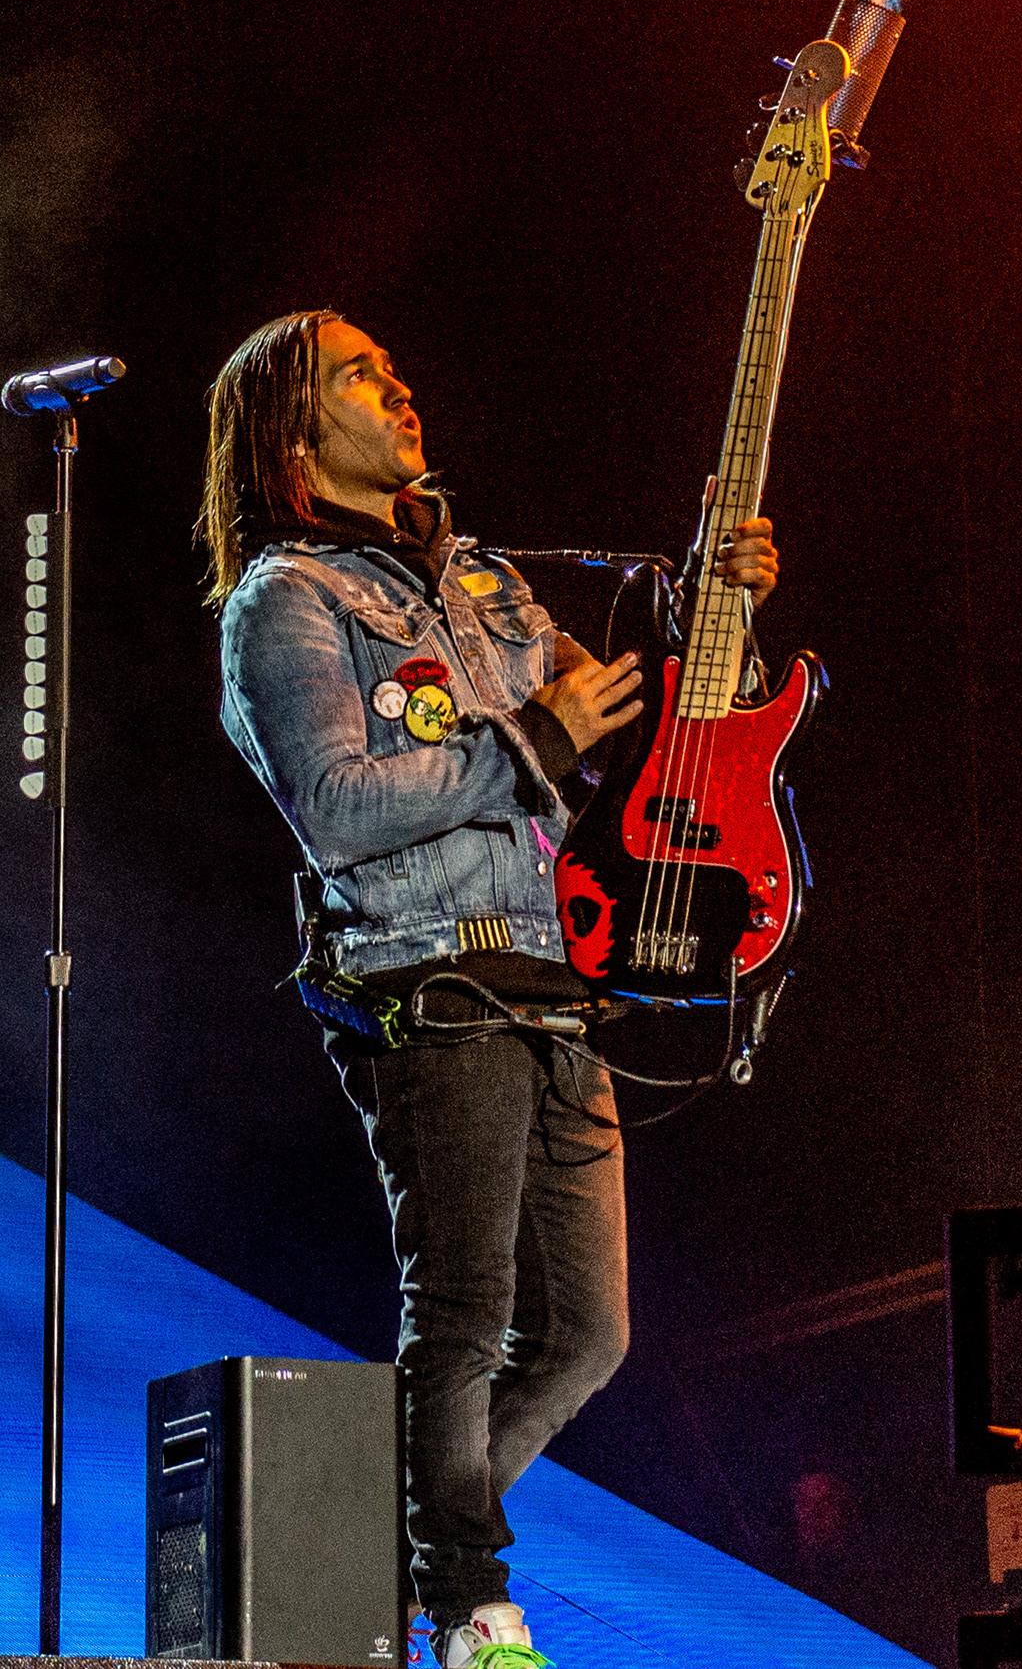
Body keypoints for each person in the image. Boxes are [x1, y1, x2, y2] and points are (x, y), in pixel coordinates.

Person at [201, 310, 777, 1669]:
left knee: (591, 1334)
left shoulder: (489, 585)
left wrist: (719, 617)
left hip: (551, 972)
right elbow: (336, 810)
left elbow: (654, 747)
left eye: (396, 364)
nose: (398, 383)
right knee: (460, 1312)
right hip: (423, 980)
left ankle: (397, 1549)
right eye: (360, 373)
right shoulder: (284, 602)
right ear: (295, 432)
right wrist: (529, 742)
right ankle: (467, 1604)